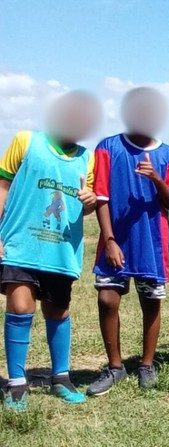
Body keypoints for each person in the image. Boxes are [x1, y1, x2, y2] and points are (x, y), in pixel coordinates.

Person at [0, 91, 102, 411]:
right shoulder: (26, 141)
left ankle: (61, 377)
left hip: (60, 250)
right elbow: (2, 185)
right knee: (20, 306)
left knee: (58, 311)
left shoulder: (89, 158)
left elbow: (87, 202)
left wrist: (90, 203)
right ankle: (16, 384)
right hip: (21, 242)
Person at [88, 87, 169, 396]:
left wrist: (156, 178)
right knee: (107, 299)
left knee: (151, 303)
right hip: (116, 241)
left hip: (152, 244)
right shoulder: (108, 147)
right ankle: (115, 367)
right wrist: (110, 239)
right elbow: (101, 196)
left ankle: (146, 364)